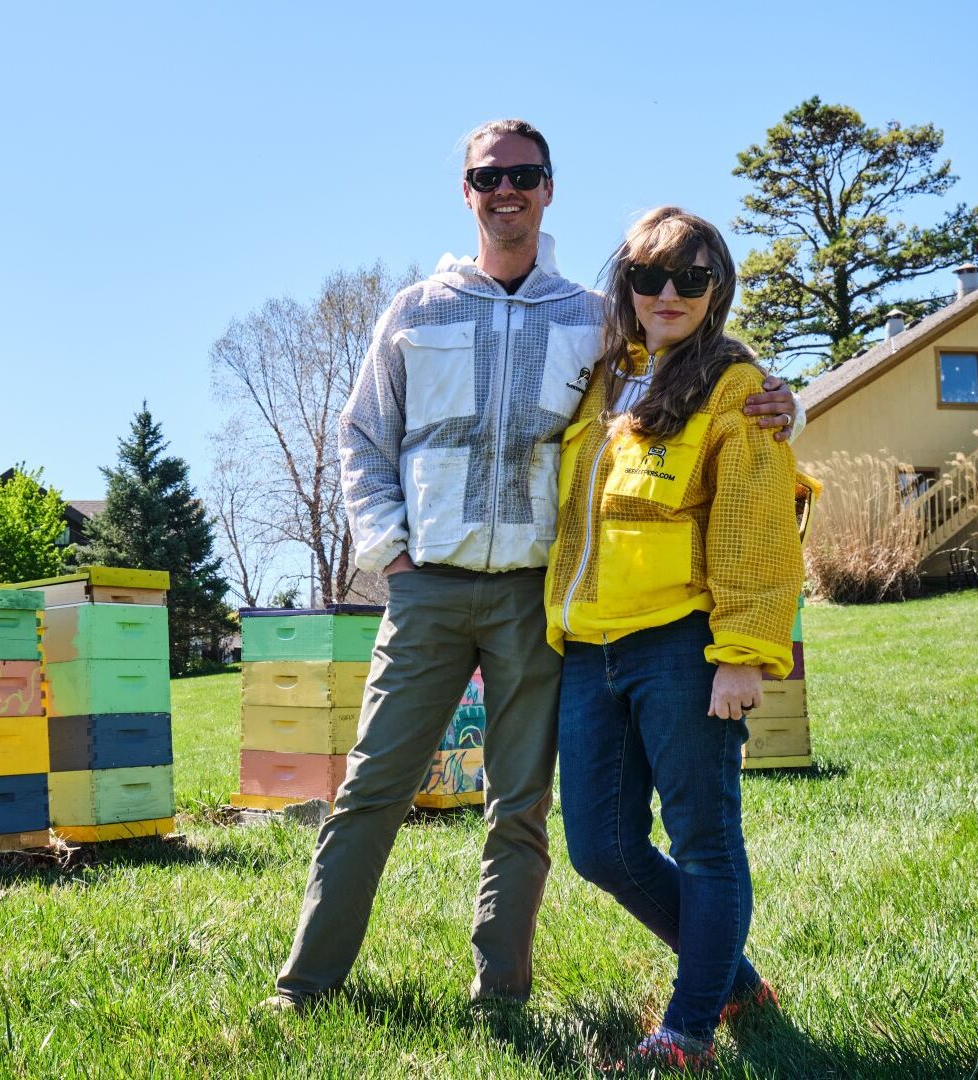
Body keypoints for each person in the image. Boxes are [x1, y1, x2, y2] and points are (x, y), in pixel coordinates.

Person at [265, 121, 802, 1011]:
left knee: (518, 810)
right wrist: (388, 552)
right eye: (488, 175)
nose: (505, 188)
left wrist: (792, 406)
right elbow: (363, 436)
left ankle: (501, 998)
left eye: (524, 173)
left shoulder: (590, 319)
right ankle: (306, 986)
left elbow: (696, 370)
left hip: (534, 597)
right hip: (426, 588)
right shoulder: (414, 309)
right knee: (369, 790)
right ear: (467, 191)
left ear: (549, 187)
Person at [544, 206, 808, 1068]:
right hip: (589, 646)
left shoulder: (738, 388)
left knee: (703, 840)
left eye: (690, 279)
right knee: (600, 848)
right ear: (625, 286)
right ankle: (734, 982)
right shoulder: (602, 379)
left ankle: (687, 1029)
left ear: (716, 290)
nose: (667, 294)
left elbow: (755, 526)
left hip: (680, 644)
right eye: (649, 277)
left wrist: (741, 653)